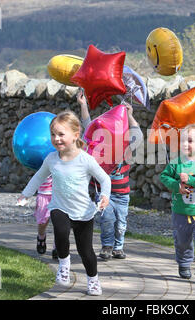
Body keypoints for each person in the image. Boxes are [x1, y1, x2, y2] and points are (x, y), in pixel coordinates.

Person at [17, 110, 111, 296]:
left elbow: (105, 179)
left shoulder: (85, 160)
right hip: (59, 206)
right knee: (60, 231)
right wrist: (25, 194)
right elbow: (38, 177)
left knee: (86, 252)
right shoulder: (51, 159)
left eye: (61, 134)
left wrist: (105, 196)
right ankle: (64, 264)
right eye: (53, 134)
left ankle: (93, 281)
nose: (56, 138)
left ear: (76, 135)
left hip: (83, 212)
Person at [78, 90, 144, 261]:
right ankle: (107, 246)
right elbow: (88, 125)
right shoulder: (98, 151)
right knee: (107, 219)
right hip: (104, 193)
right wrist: (83, 104)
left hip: (122, 195)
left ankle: (118, 247)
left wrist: (129, 115)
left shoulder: (126, 150)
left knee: (121, 223)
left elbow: (138, 134)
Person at [160, 124, 195, 282]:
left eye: (190, 141)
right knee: (182, 241)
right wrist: (177, 186)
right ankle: (184, 262)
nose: (185, 144)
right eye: (183, 140)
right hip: (181, 212)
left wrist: (191, 179)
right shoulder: (176, 162)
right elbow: (164, 177)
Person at [33, 175, 58, 259]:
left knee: (59, 223)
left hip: (59, 195)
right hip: (43, 194)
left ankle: (57, 246)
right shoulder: (40, 162)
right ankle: (41, 237)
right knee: (42, 222)